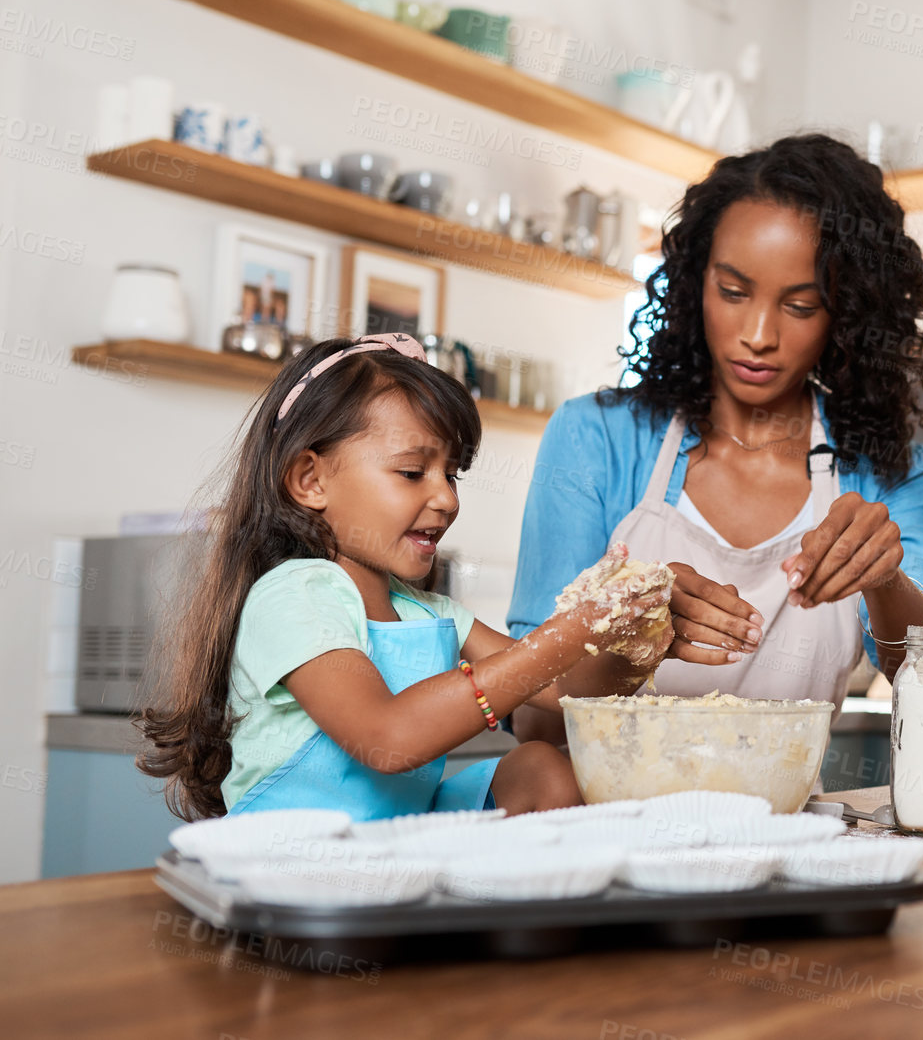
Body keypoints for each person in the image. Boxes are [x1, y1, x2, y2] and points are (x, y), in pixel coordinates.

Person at [507, 133, 923, 730]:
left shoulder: (880, 465)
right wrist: (635, 626)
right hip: (608, 813)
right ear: (696, 285)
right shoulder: (596, 438)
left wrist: (887, 580)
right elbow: (530, 715)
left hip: (781, 817)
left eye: (800, 306)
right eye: (733, 291)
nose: (758, 334)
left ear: (846, 315)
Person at [137, 333, 671, 822]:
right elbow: (388, 740)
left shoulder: (431, 613)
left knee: (542, 766)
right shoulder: (294, 595)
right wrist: (571, 632)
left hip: (399, 841)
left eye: (452, 474)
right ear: (310, 479)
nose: (446, 498)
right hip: (296, 858)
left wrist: (643, 634)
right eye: (413, 473)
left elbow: (562, 690)